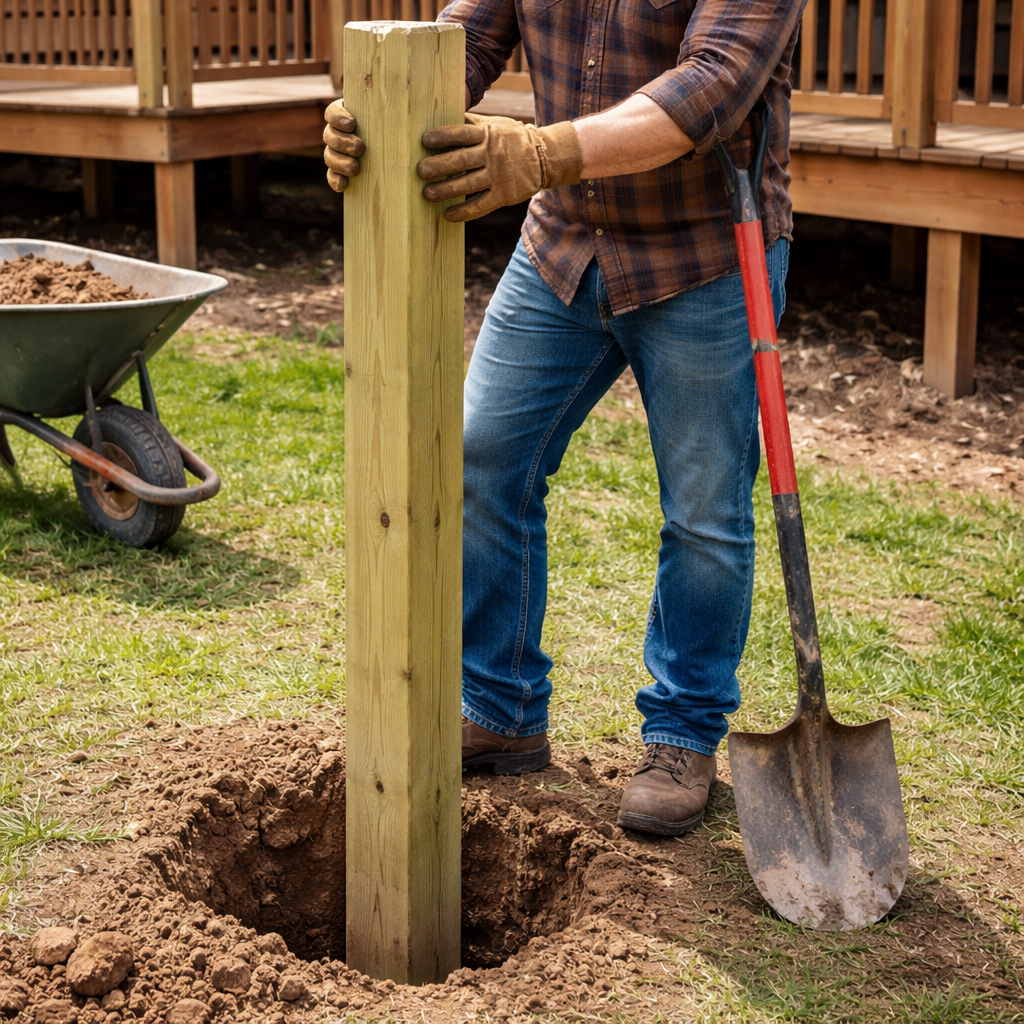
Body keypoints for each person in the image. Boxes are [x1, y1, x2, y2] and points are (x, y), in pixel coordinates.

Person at [324, 0, 806, 837]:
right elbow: (466, 37)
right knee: (481, 457)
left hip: (702, 256)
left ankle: (681, 732)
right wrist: (373, 104)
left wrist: (542, 151)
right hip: (565, 239)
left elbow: (711, 87)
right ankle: (500, 707)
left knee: (703, 511)